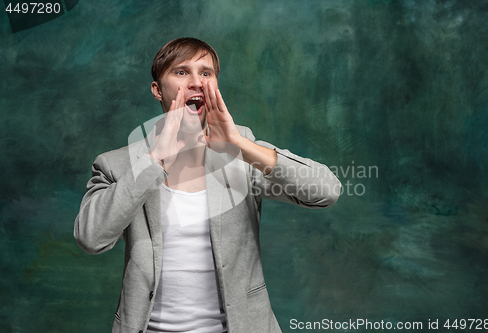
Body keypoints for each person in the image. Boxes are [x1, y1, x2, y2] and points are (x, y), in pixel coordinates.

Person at [74, 37, 341, 333]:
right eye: (181, 72)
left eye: (205, 73)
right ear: (157, 90)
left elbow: (326, 191)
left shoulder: (241, 153)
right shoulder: (117, 164)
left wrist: (240, 145)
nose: (196, 82)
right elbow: (90, 238)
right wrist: (154, 161)